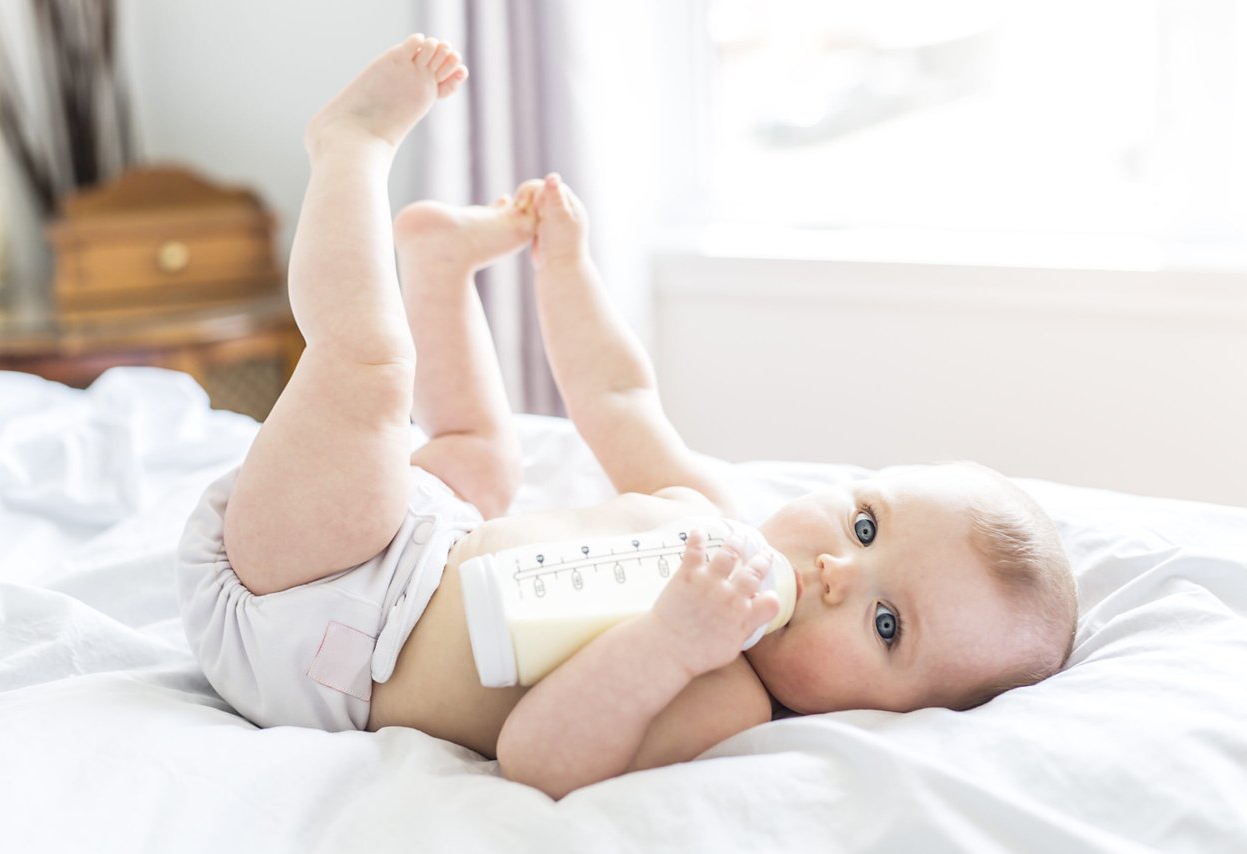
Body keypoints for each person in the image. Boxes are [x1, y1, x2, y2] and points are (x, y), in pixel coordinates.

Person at [177, 34, 1078, 800]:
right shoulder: (711, 509)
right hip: (412, 535)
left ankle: (350, 146)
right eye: (867, 524)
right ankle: (441, 267)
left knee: (371, 374)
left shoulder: (720, 697)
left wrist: (671, 644)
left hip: (311, 614)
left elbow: (538, 755)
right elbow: (615, 397)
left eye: (887, 625)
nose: (840, 571)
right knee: (484, 463)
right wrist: (565, 267)